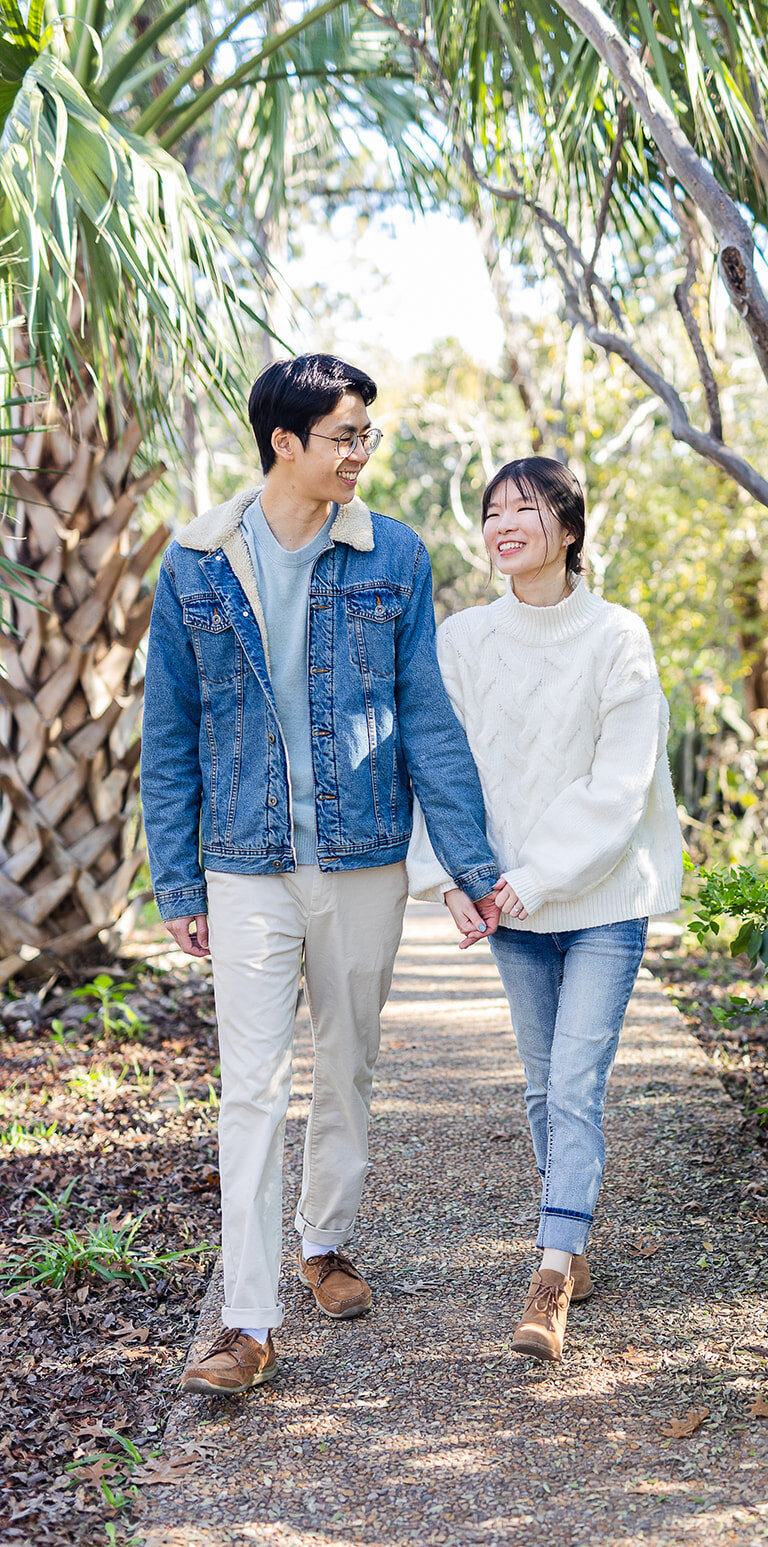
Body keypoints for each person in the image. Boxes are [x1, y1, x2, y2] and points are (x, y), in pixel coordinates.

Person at [141, 353, 500, 1396]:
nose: (359, 454)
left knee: (346, 1063)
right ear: (283, 443)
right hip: (242, 866)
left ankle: (323, 1243)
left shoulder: (392, 554)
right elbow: (171, 732)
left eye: (365, 437)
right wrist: (177, 882)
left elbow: (426, 717)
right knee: (249, 1089)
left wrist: (466, 865)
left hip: (361, 860)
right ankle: (245, 1321)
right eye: (344, 436)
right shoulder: (197, 562)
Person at [407, 457, 683, 1362]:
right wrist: (452, 878)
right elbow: (438, 769)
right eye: (491, 513)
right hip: (505, 900)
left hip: (600, 896)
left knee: (574, 1083)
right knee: (539, 1087)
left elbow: (620, 781)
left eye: (522, 510)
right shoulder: (462, 640)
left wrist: (533, 877)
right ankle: (572, 1228)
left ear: (568, 529)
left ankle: (552, 1272)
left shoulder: (616, 635)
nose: (501, 525)